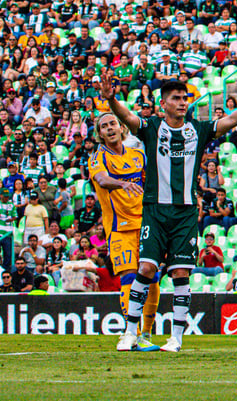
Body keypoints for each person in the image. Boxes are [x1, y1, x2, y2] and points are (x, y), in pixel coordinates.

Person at [103, 73, 237, 353]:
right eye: (176, 98)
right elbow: (129, 118)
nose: (183, 103)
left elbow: (231, 120)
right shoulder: (152, 126)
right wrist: (111, 99)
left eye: (185, 98)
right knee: (145, 269)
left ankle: (176, 339)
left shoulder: (199, 128)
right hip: (155, 210)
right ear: (163, 102)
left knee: (181, 273)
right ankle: (129, 333)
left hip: (184, 214)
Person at [88, 113, 160, 351]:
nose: (109, 129)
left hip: (145, 223)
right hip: (120, 229)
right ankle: (131, 333)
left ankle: (146, 334)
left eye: (112, 124)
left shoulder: (138, 155)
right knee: (129, 276)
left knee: (152, 277)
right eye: (104, 127)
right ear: (100, 134)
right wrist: (122, 183)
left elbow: (153, 183)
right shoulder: (98, 157)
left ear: (121, 128)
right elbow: (101, 179)